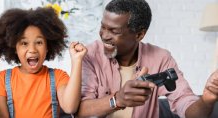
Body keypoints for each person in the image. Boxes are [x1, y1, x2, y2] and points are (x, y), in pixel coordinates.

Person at [78, 0, 218, 118]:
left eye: (114, 31)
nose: (104, 35)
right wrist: (118, 100)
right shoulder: (90, 55)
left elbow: (184, 103)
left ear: (139, 35)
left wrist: (206, 101)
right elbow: (79, 111)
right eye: (103, 27)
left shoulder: (161, 58)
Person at [0, 7, 87, 118]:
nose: (32, 49)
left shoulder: (58, 77)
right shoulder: (1, 79)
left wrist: (77, 60)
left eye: (39, 42)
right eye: (24, 43)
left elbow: (70, 107)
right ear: (14, 48)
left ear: (48, 47)